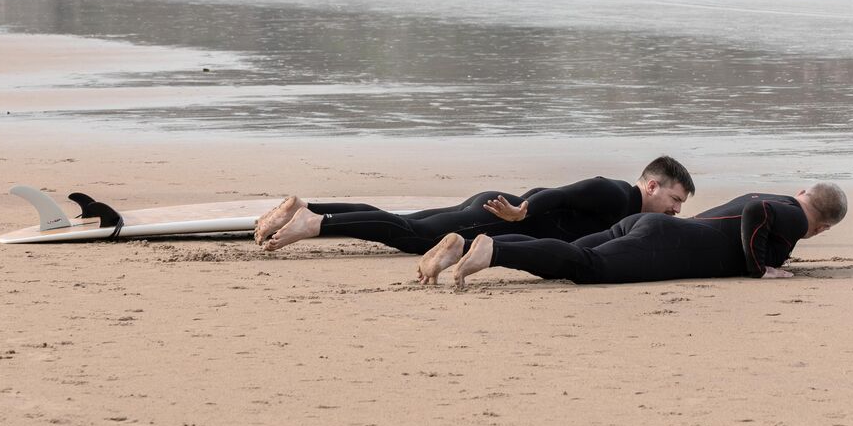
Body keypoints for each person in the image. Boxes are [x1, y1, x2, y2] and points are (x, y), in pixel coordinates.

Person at [430, 182, 847, 288]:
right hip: (667, 243)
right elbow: (759, 215)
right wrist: (761, 268)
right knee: (589, 268)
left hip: (654, 228)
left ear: (802, 191)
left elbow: (754, 209)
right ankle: (495, 251)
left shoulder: (776, 197)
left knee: (567, 253)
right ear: (823, 227)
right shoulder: (796, 218)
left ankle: (463, 247)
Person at [255, 155, 695, 256]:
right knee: (414, 237)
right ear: (652, 185)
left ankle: (307, 206)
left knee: (402, 221)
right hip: (500, 216)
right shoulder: (617, 194)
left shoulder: (627, 207)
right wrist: (523, 212)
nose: (676, 209)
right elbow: (562, 194)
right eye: (674, 199)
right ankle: (315, 223)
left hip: (494, 208)